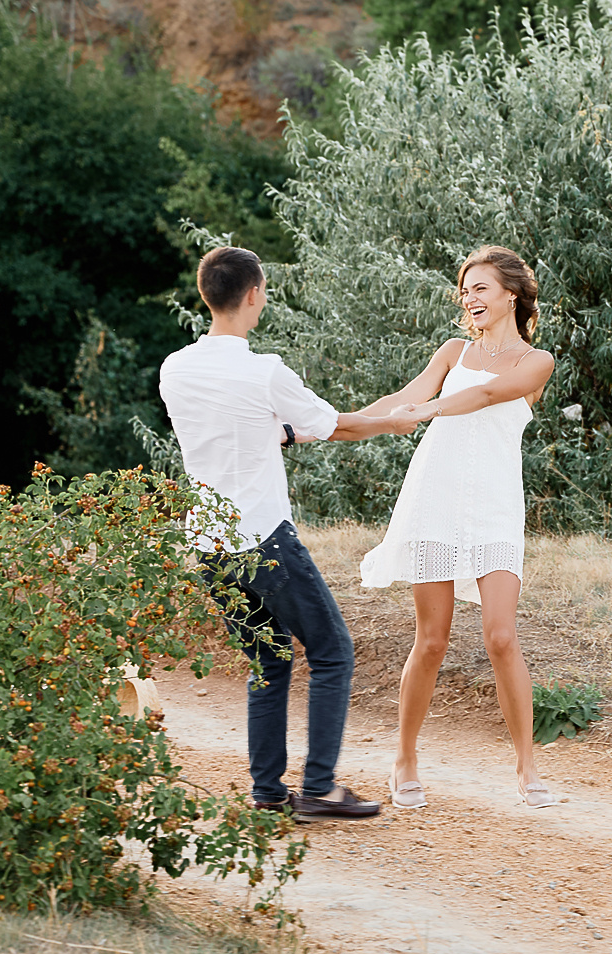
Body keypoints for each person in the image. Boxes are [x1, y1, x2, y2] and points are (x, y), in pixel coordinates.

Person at [159, 245, 419, 821]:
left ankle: (268, 793)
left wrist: (285, 433)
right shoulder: (265, 371)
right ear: (254, 294)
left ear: (207, 294)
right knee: (332, 652)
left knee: (268, 661)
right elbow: (336, 426)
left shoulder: (174, 369)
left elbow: (242, 428)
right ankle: (320, 788)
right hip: (263, 539)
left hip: (208, 544)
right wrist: (393, 422)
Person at [356, 246, 558, 809]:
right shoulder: (453, 351)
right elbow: (403, 399)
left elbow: (488, 395)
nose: (470, 298)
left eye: (481, 288)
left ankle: (527, 766)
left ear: (511, 295)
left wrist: (430, 410)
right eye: (465, 290)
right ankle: (404, 759)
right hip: (436, 501)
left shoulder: (536, 361)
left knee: (501, 636)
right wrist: (335, 423)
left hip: (495, 507)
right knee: (432, 640)